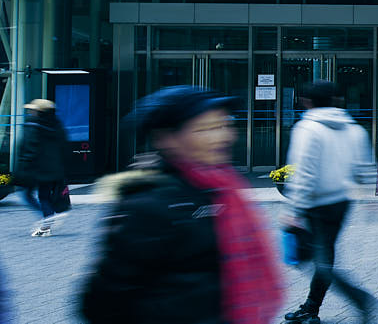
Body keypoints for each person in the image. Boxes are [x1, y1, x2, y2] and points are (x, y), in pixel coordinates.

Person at [80, 86, 281, 324]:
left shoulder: (221, 190)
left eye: (223, 125)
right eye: (205, 129)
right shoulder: (147, 207)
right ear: (166, 138)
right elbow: (101, 303)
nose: (223, 137)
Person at [282, 80, 378, 324]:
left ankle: (359, 299)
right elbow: (364, 167)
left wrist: (295, 208)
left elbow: (304, 172)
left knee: (314, 259)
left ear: (308, 102)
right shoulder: (353, 128)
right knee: (323, 257)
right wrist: (369, 197)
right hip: (340, 203)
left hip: (315, 205)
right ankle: (311, 309)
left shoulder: (307, 129)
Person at [16, 98, 68, 237]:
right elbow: (64, 146)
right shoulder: (57, 125)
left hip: (36, 169)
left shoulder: (32, 126)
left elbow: (29, 150)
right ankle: (47, 221)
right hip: (55, 169)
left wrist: (23, 169)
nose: (30, 112)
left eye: (32, 110)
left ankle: (47, 219)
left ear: (38, 112)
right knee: (44, 195)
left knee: (27, 194)